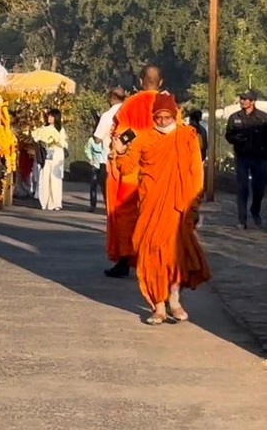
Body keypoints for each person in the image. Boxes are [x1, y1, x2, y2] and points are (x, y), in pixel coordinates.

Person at [114, 92, 211, 325]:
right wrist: (119, 150)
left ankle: (174, 301)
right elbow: (127, 168)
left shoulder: (187, 137)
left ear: (175, 115)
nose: (164, 121)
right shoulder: (144, 139)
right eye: (159, 116)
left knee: (175, 256)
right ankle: (158, 305)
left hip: (179, 207)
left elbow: (195, 173)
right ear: (153, 116)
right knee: (152, 255)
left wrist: (194, 203)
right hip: (151, 205)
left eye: (168, 116)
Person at [105, 66, 164, 278]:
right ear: (161, 82)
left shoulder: (129, 105)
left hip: (131, 171)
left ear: (141, 82)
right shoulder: (168, 106)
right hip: (159, 172)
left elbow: (119, 137)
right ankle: (152, 262)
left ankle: (124, 260)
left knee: (125, 215)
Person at [225, 89, 267, 229]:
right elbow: (228, 135)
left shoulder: (263, 118)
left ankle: (255, 210)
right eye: (241, 98)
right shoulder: (234, 117)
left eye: (246, 99)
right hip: (242, 157)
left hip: (259, 157)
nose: (242, 101)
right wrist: (236, 139)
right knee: (242, 188)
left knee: (259, 188)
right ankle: (242, 220)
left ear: (253, 101)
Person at [32, 109, 68, 211]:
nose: (49, 118)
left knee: (55, 178)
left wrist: (55, 138)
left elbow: (62, 143)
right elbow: (37, 137)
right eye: (48, 116)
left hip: (57, 155)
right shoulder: (44, 128)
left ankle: (55, 203)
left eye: (51, 116)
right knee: (45, 177)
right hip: (47, 155)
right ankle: (45, 202)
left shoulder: (60, 129)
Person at [84, 120, 107, 213]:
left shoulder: (105, 140)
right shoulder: (91, 140)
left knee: (104, 186)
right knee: (93, 184)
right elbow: (87, 149)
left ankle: (107, 205)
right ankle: (92, 205)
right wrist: (90, 158)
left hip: (104, 163)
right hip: (95, 164)